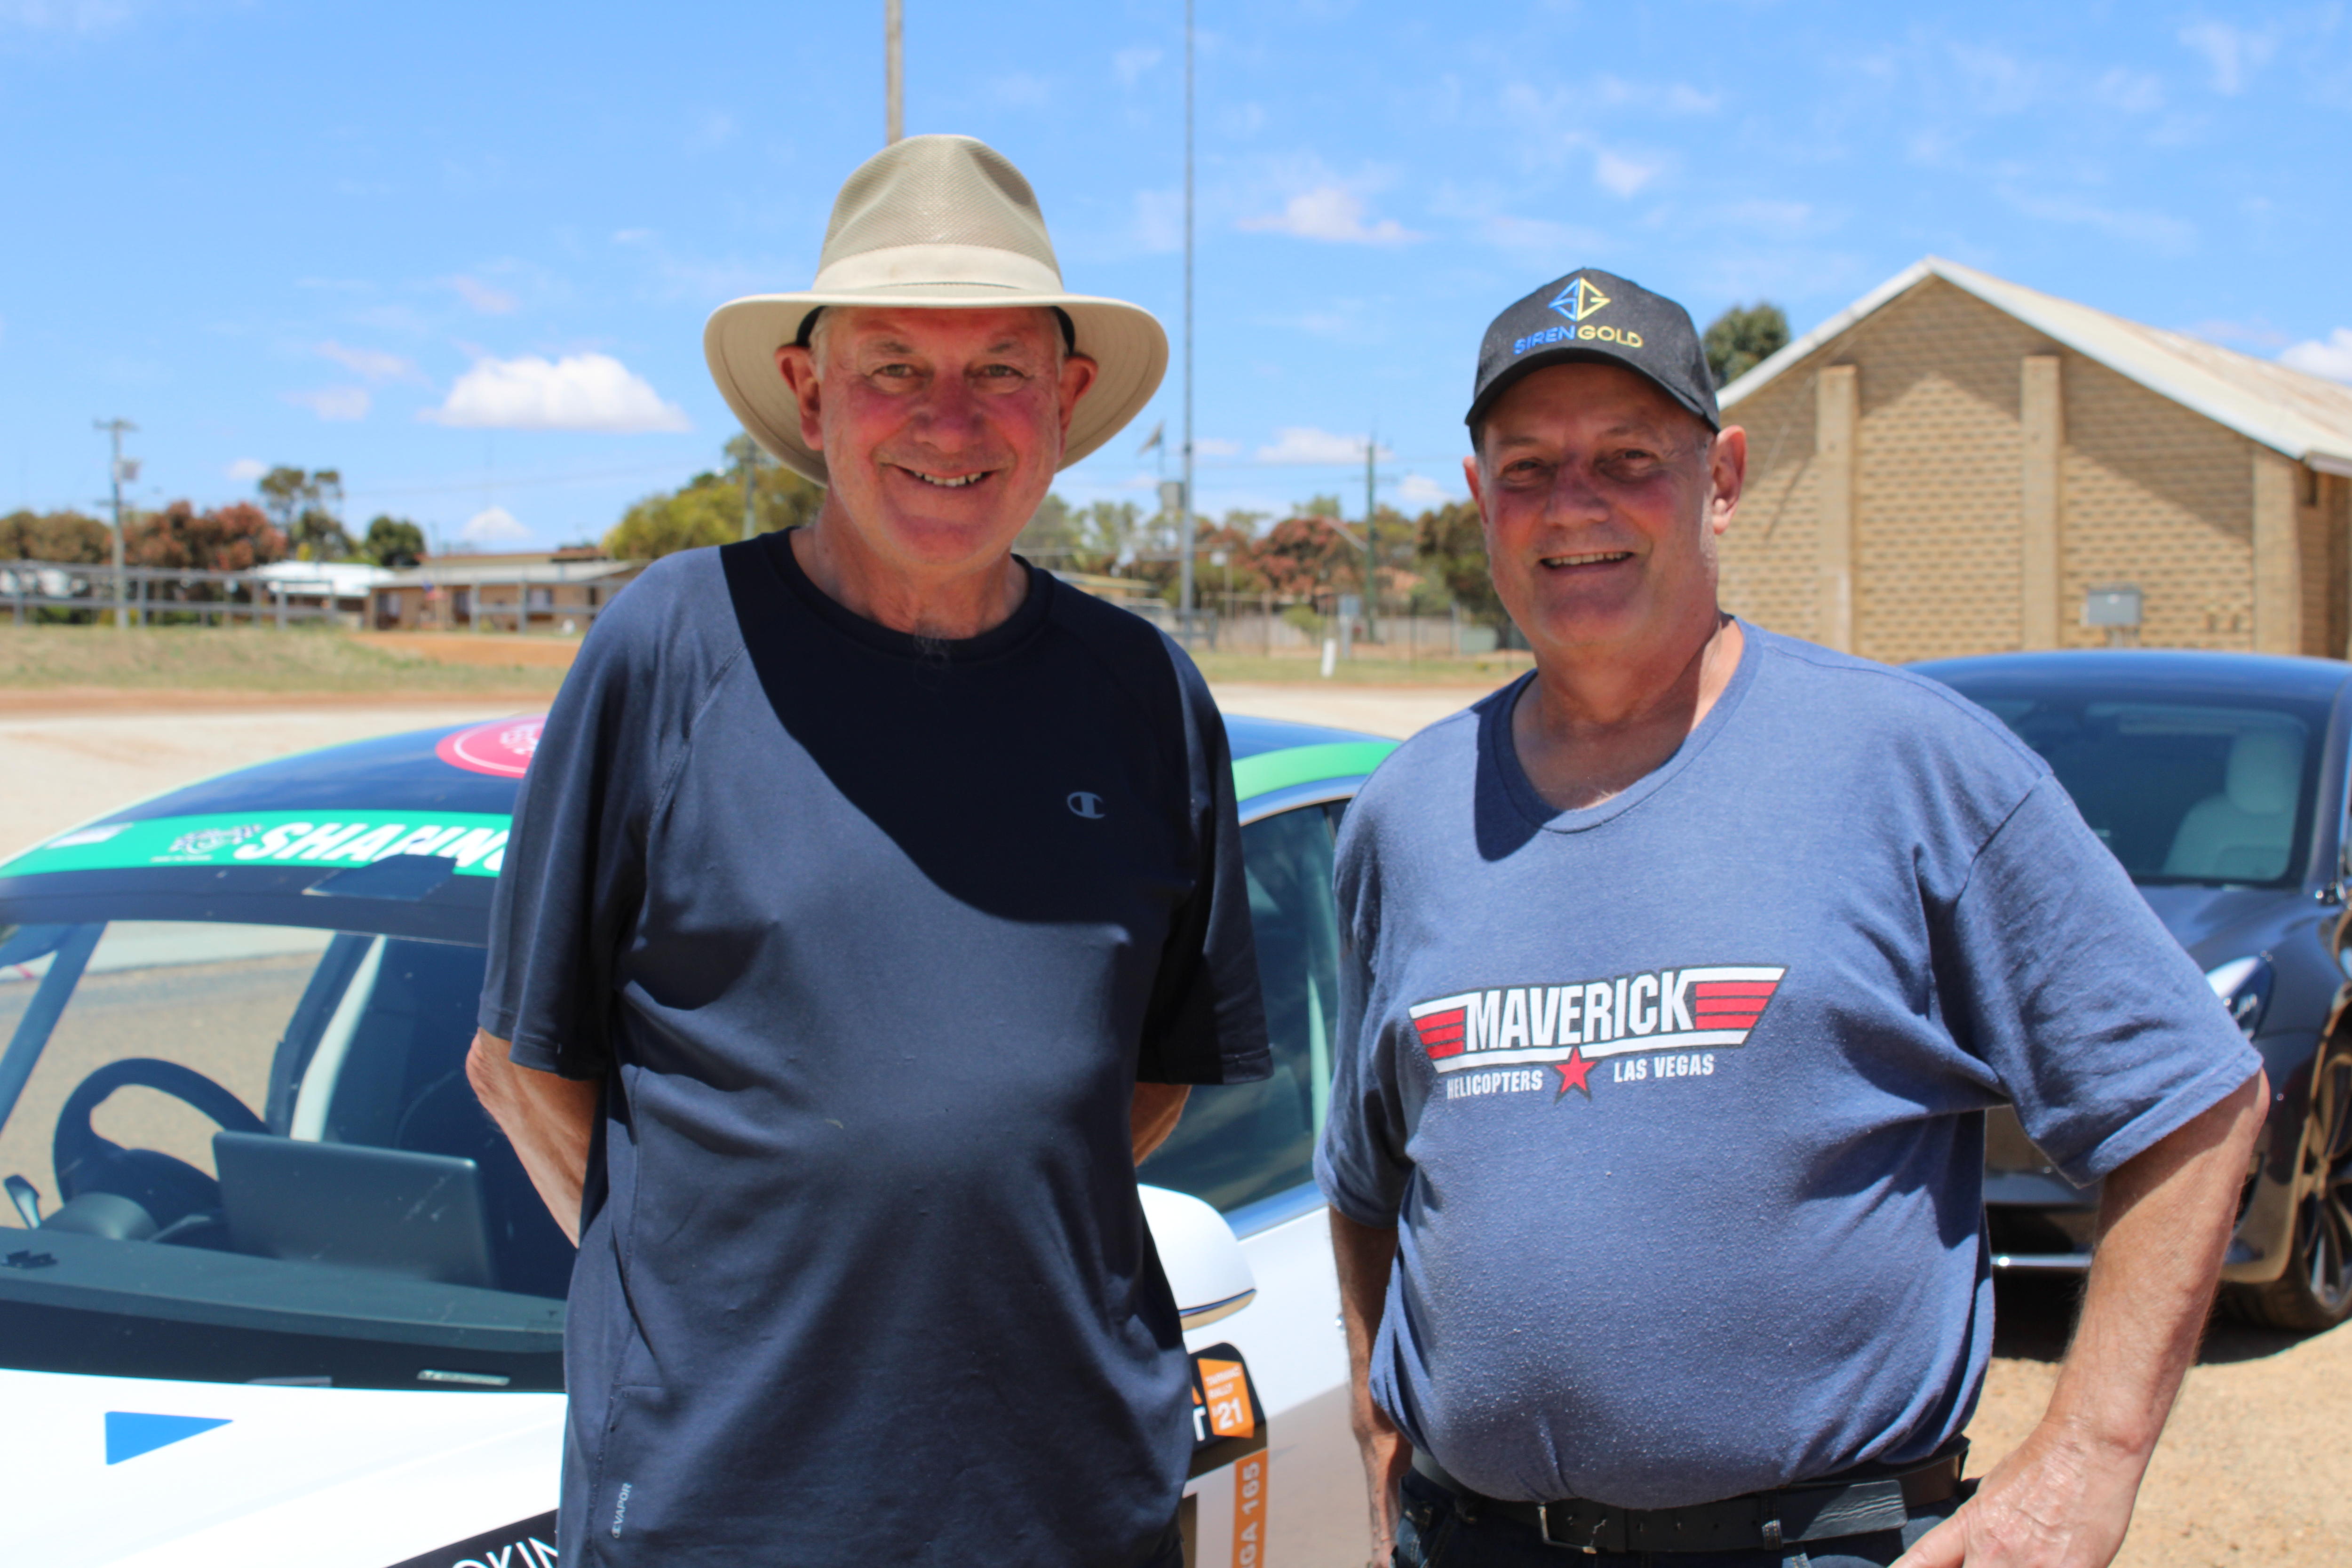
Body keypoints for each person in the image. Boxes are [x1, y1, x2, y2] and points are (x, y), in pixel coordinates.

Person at [1315, 267, 2267, 1568]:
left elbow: (2191, 1101)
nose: (1573, 505)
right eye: (1528, 467)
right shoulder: (1407, 814)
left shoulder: (1910, 767)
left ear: (1723, 478)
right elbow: (1368, 1183)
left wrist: (2087, 1461)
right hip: (1476, 1541)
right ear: (1478, 497)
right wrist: (1386, 1438)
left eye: (1629, 458)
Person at [467, 135, 1269, 1568]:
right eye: (894, 364)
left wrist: (950, 1186)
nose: (948, 422)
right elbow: (523, 1067)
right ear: (810, 389)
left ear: (1068, 399)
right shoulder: (670, 646)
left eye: (1001, 370)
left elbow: (1128, 1086)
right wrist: (726, 1308)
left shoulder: (1144, 696)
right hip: (726, 1510)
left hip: (1070, 1505)